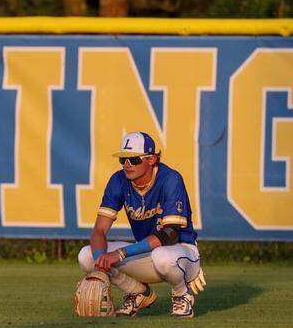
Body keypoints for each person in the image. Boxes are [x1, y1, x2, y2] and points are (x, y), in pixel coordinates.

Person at [78, 131, 204, 318]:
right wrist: (99, 261)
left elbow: (169, 234)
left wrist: (119, 254)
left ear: (151, 159)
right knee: (86, 256)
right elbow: (99, 230)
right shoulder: (118, 180)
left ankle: (181, 294)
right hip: (146, 252)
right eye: (123, 159)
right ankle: (138, 292)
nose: (127, 164)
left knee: (162, 256)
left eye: (134, 159)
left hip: (181, 253)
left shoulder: (170, 179)